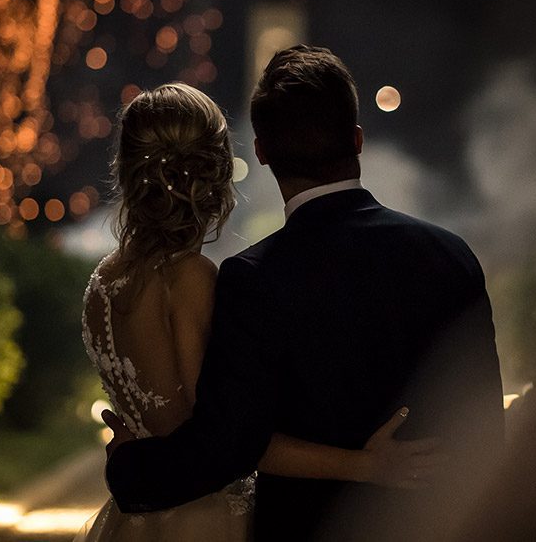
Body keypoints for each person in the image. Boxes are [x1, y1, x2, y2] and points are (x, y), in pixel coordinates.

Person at [104, 48, 504, 541]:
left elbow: (228, 444)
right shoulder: (450, 256)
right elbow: (487, 430)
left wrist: (128, 468)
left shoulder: (253, 278)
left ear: (264, 152)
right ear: (357, 140)